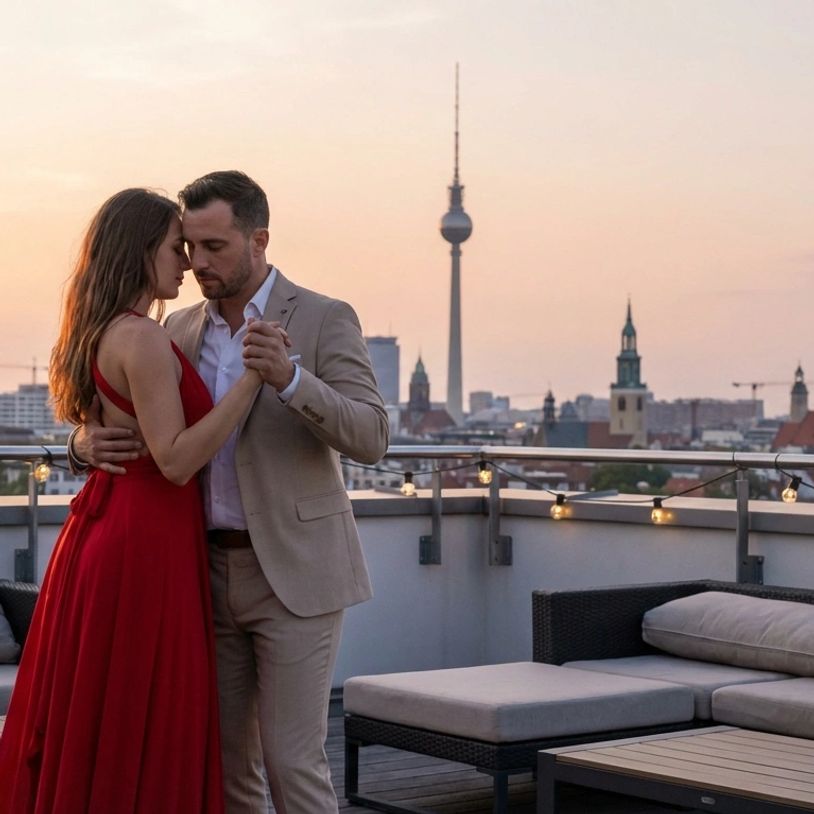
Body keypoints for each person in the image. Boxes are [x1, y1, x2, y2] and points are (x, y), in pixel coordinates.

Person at [72, 171, 389, 814]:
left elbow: (373, 436)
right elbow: (132, 419)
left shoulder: (325, 317)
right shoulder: (178, 328)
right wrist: (80, 445)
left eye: (215, 247)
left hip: (295, 574)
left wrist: (292, 379)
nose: (197, 263)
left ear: (259, 239)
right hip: (201, 572)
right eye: (189, 247)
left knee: (291, 759)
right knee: (228, 765)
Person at [0, 188, 269, 812]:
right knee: (141, 708)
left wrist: (83, 443)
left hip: (108, 529)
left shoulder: (103, 330)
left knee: (104, 708)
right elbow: (175, 460)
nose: (187, 262)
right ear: (140, 250)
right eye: (176, 247)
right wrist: (253, 381)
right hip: (144, 540)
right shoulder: (143, 338)